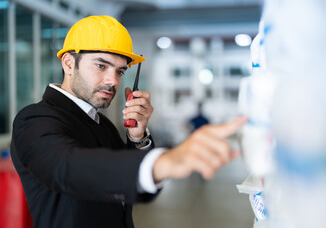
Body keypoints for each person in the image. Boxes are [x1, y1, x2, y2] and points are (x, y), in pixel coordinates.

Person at [10, 15, 246, 228]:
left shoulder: (101, 124)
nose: (112, 81)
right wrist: (165, 161)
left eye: (120, 71)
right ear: (69, 63)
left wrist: (138, 137)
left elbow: (124, 185)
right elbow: (67, 167)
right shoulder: (34, 119)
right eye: (101, 66)